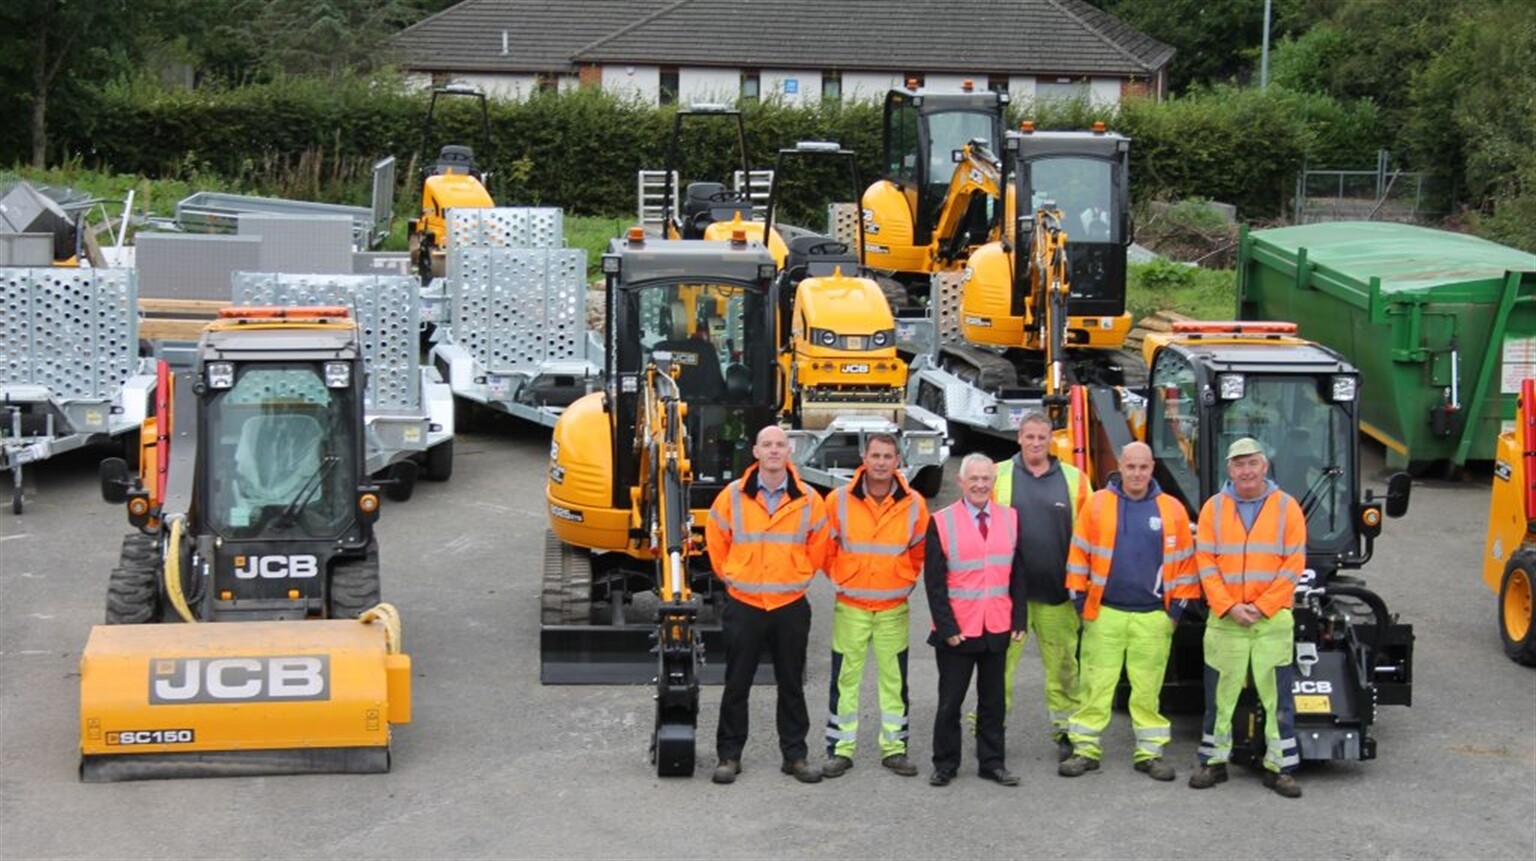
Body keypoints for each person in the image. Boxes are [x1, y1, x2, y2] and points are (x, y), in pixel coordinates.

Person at [1057, 442, 1199, 781]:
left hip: (1153, 616)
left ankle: (1149, 754)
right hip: (1105, 612)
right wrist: (1081, 603)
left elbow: (1185, 567)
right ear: (1120, 466)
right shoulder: (1096, 504)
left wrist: (1175, 613)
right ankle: (1085, 749)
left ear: (1152, 468)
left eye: (1143, 467)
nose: (1137, 473)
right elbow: (1079, 556)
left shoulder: (1172, 510)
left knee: (1148, 687)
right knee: (1095, 684)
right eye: (1131, 466)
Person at [705, 424, 831, 785]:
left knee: (791, 683)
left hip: (789, 604)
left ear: (789, 452)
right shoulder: (731, 497)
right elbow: (716, 539)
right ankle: (729, 756)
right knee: (736, 683)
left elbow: (818, 546)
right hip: (744, 603)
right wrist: (732, 574)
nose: (774, 450)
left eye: (780, 445)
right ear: (756, 452)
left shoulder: (809, 499)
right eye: (767, 444)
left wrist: (798, 573)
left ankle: (795, 756)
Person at [1189, 437, 1307, 799]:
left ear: (1265, 466)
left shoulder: (1287, 509)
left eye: (1252, 463)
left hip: (1270, 623)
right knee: (1219, 699)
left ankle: (1280, 768)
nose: (1246, 471)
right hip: (1226, 622)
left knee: (1278, 700)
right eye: (1239, 464)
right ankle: (1213, 762)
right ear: (1229, 470)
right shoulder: (1213, 509)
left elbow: (1293, 565)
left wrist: (1261, 607)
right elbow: (1206, 564)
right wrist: (1229, 606)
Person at [821, 434, 930, 779]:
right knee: (845, 679)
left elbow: (920, 550)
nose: (881, 462)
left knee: (894, 680)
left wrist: (904, 578)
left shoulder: (914, 503)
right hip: (851, 605)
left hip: (893, 607)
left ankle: (894, 749)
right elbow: (825, 548)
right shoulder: (838, 501)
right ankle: (840, 749)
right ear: (863, 458)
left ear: (898, 460)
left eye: (888, 456)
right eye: (876, 456)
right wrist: (842, 576)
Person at [923, 453, 1028, 788]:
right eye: (975, 479)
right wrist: (947, 627)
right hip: (958, 630)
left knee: (993, 702)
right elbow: (935, 583)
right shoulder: (941, 521)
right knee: (950, 702)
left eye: (986, 479)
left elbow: (1017, 575)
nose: (981, 485)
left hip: (996, 625)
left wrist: (1019, 618)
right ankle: (945, 763)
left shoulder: (1010, 519)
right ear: (962, 482)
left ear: (993, 482)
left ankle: (992, 763)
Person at [993, 411, 1092, 762]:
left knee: (1064, 668)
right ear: (1019, 437)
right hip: (1006, 597)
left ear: (1052, 440)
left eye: (1042, 437)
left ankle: (1067, 732)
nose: (1036, 443)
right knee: (998, 669)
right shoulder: (998, 474)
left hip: (1058, 595)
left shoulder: (1075, 480)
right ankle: (990, 732)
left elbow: (1090, 534)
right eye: (1029, 437)